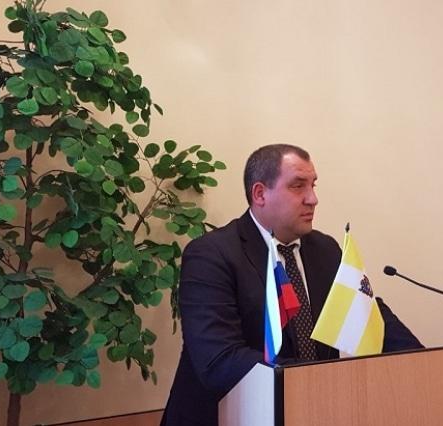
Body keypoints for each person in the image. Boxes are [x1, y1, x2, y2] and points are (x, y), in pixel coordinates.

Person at [161, 144, 423, 425]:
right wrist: (313, 379)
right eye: (298, 186)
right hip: (228, 417)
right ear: (260, 194)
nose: (313, 199)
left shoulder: (326, 250)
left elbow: (370, 318)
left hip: (311, 412)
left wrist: (421, 362)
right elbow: (219, 360)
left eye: (313, 185)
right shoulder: (211, 255)